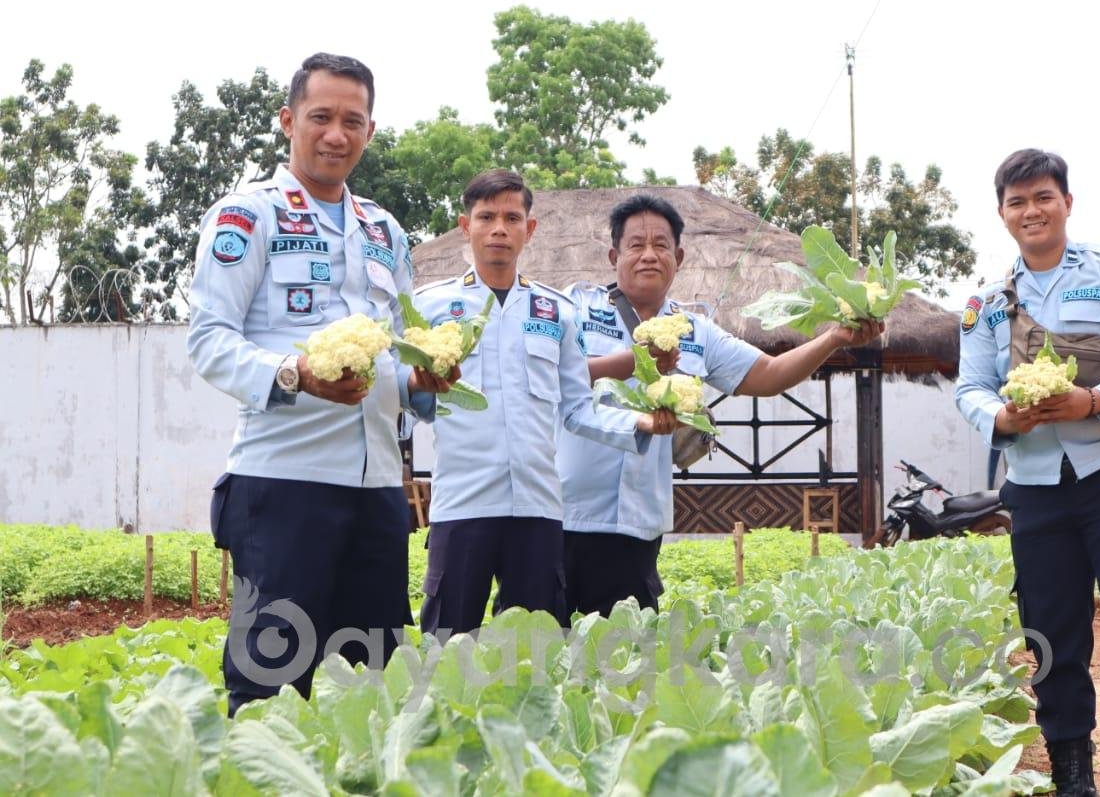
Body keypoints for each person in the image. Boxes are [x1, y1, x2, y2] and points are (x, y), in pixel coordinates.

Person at [188, 53, 443, 716]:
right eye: (321, 117)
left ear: (369, 130)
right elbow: (210, 341)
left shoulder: (385, 231)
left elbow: (406, 353)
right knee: (271, 677)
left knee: (375, 681)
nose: (336, 134)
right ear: (288, 121)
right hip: (283, 485)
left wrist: (429, 382)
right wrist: (293, 375)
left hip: (380, 490)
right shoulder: (249, 217)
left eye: (351, 121)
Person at [955, 149, 1100, 797]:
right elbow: (969, 388)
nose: (1031, 210)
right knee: (1053, 629)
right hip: (1035, 487)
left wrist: (1092, 401)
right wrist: (1002, 418)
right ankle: (1071, 776)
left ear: (1066, 202)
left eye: (1043, 197)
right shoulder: (987, 301)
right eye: (1017, 201)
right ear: (1002, 213)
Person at [555, 193, 885, 619]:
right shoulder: (574, 309)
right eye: (636, 245)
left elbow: (769, 374)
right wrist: (633, 360)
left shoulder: (696, 331)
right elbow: (549, 376)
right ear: (614, 255)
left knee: (623, 655)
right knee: (542, 644)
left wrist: (835, 338)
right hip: (557, 514)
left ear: (680, 256)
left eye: (661, 245)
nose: (648, 255)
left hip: (633, 524)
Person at [412, 171, 676, 637]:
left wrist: (642, 422)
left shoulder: (556, 312)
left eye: (512, 217)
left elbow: (577, 407)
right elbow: (406, 399)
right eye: (486, 217)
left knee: (534, 653)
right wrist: (417, 384)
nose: (499, 228)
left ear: (529, 230)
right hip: (462, 506)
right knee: (448, 646)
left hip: (537, 511)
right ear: (464, 226)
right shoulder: (429, 308)